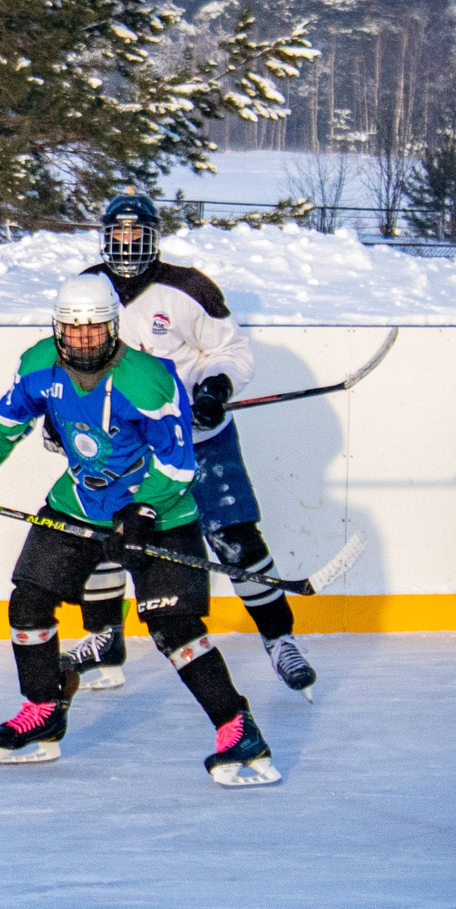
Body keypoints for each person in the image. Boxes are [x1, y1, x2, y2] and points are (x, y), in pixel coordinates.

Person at [0, 271, 277, 786]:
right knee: (28, 601)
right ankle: (43, 709)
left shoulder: (149, 379)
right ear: (58, 328)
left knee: (174, 628)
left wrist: (144, 509)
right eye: (73, 330)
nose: (83, 340)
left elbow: (179, 463)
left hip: (161, 512)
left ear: (114, 326)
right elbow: (7, 422)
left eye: (94, 329)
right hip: (79, 501)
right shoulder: (38, 365)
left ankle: (237, 728)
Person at [63, 193, 318, 697]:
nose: (128, 243)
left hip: (197, 440)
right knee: (104, 537)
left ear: (153, 238)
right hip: (122, 445)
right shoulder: (87, 288)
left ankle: (280, 639)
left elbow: (231, 350)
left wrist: (215, 388)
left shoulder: (189, 287)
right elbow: (68, 356)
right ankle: (105, 641)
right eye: (119, 233)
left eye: (138, 233)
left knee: (234, 537)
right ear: (106, 237)